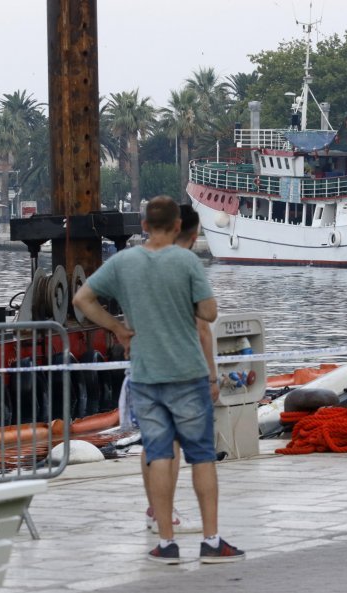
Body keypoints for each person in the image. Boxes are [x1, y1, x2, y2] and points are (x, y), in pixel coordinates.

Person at [72, 196, 243, 565]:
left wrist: (117, 327)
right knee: (200, 457)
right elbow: (210, 313)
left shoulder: (123, 262)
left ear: (145, 226)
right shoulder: (185, 261)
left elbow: (82, 298)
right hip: (188, 374)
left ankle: (165, 543)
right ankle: (211, 541)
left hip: (146, 375)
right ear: (178, 226)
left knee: (160, 454)